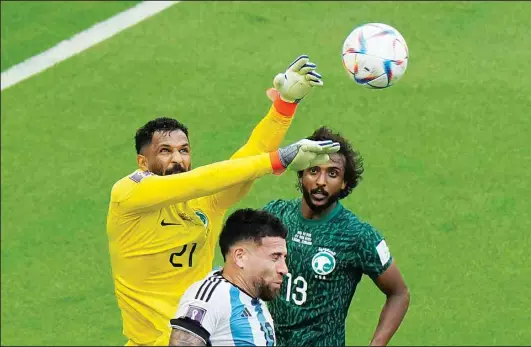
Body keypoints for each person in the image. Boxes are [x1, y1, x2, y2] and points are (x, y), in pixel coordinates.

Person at [106, 55, 338, 346]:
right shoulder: (128, 195)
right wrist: (279, 160)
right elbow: (204, 179)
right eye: (165, 151)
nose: (178, 158)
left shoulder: (204, 202)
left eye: (184, 150)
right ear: (143, 161)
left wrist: (284, 107)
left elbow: (243, 162)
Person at [263, 126, 410, 347]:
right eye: (314, 171)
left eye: (332, 173)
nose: (321, 181)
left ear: (344, 184)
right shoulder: (275, 216)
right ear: (302, 174)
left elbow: (399, 293)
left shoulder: (358, 235)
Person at [168, 208, 288, 346]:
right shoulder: (212, 297)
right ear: (240, 256)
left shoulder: (253, 296)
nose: (284, 269)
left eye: (284, 258)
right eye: (275, 257)